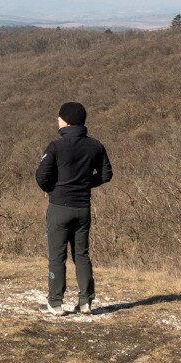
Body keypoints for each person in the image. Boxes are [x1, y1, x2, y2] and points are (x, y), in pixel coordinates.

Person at [34, 101, 113, 316]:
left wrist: (53, 189)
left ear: (66, 120)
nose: (57, 120)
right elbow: (106, 175)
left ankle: (55, 303)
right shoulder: (95, 145)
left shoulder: (56, 146)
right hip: (83, 208)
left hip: (59, 207)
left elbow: (41, 176)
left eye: (59, 117)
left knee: (57, 257)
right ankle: (86, 301)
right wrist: (87, 183)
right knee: (82, 255)